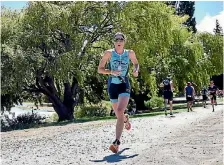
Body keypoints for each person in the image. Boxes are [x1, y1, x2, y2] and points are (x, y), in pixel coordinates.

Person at [98, 32, 139, 153]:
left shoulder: (129, 53)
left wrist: (136, 70)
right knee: (119, 115)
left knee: (120, 111)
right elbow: (100, 69)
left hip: (124, 84)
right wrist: (111, 71)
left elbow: (136, 63)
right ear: (114, 42)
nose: (119, 41)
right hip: (112, 86)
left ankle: (116, 142)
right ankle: (125, 119)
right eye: (117, 39)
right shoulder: (109, 53)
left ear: (124, 41)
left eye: (121, 39)